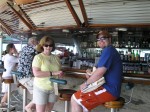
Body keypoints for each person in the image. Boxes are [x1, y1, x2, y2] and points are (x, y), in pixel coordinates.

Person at [71, 31, 123, 112]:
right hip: (108, 88)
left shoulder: (108, 50)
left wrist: (86, 83)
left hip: (109, 90)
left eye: (103, 38)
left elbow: (99, 73)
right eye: (98, 39)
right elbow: (98, 71)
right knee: (83, 106)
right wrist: (91, 73)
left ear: (109, 39)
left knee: (75, 99)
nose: (100, 41)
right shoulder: (109, 51)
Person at [32, 36, 63, 112]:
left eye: (50, 45)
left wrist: (60, 74)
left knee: (48, 110)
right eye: (46, 45)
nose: (48, 47)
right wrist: (53, 73)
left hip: (54, 87)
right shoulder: (38, 57)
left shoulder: (56, 58)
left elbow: (58, 70)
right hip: (41, 87)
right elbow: (36, 73)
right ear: (42, 46)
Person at [16, 37, 38, 112]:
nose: (37, 43)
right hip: (25, 77)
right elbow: (41, 54)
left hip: (22, 76)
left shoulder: (24, 48)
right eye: (36, 42)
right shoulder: (31, 49)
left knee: (39, 91)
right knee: (41, 90)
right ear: (33, 42)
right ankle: (29, 107)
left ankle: (34, 107)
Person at [0, 43, 19, 108]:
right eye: (14, 48)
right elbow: (21, 60)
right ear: (11, 49)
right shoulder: (11, 57)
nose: (15, 49)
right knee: (9, 91)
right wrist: (16, 53)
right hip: (9, 76)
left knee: (9, 91)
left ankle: (3, 103)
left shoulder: (6, 56)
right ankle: (3, 103)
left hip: (5, 75)